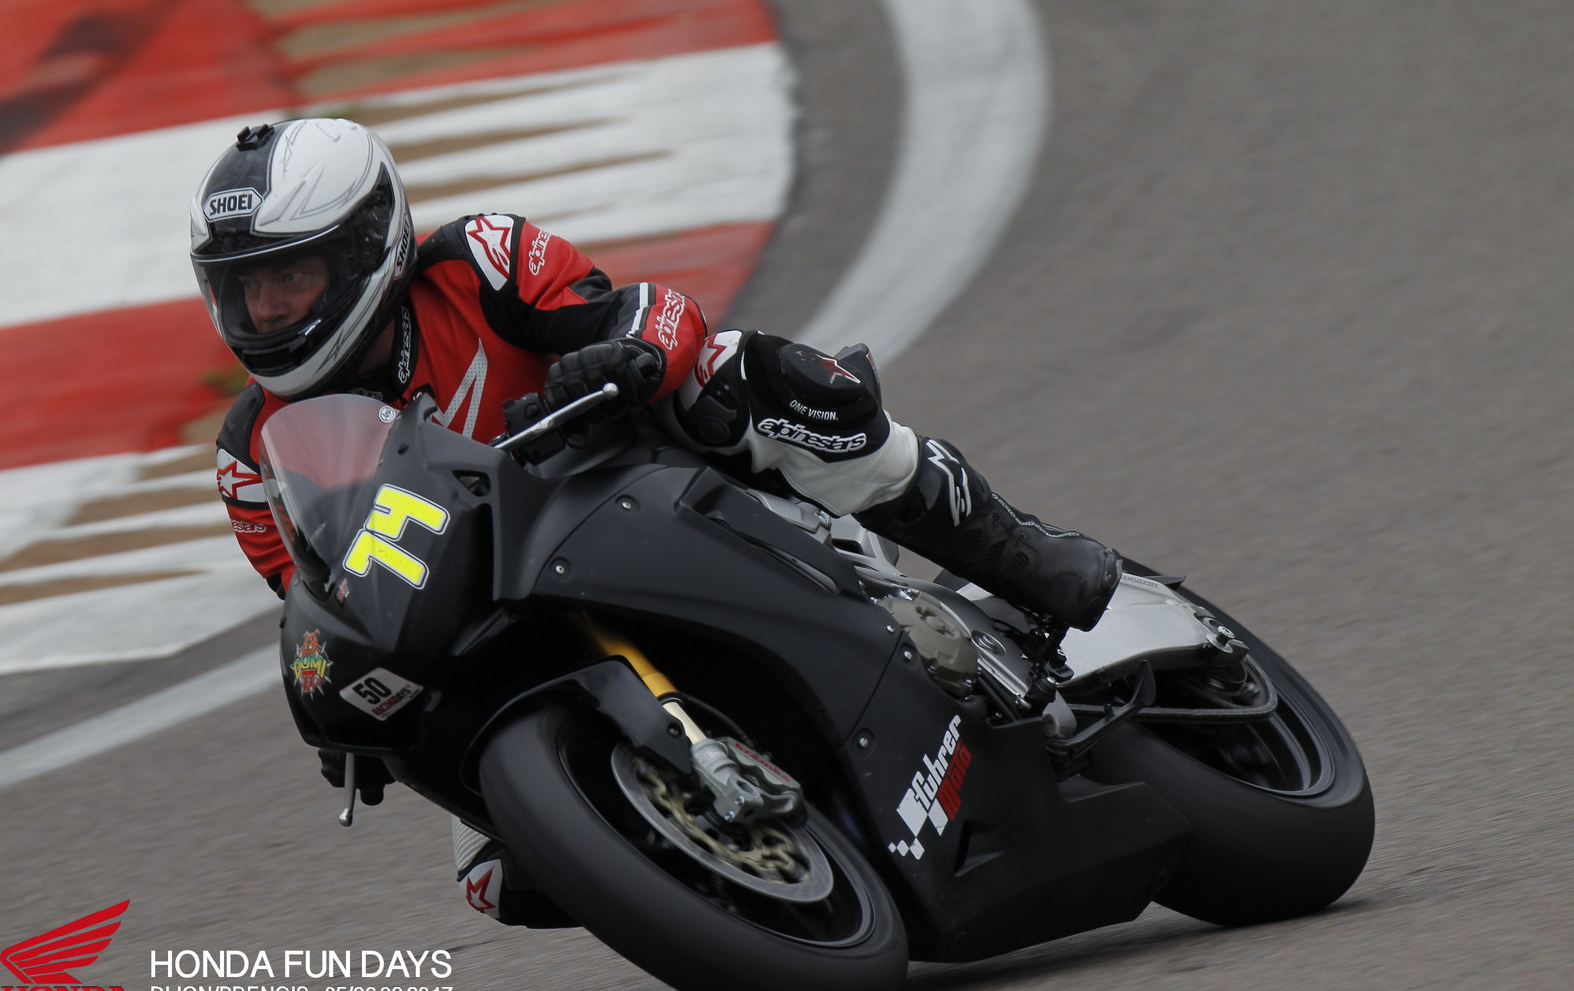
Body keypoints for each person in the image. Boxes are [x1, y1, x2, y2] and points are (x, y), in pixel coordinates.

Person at [192, 117, 1121, 922]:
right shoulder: (251, 457)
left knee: (726, 374)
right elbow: (325, 599)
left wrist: (624, 356)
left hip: (630, 486)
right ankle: (747, 880)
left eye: (290, 277)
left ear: (366, 249)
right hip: (492, 609)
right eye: (242, 289)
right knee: (496, 879)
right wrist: (340, 692)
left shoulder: (478, 261)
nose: (264, 309)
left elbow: (655, 311)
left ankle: (1013, 548)